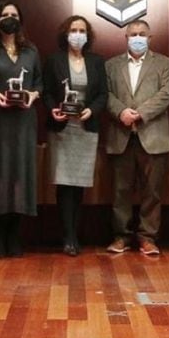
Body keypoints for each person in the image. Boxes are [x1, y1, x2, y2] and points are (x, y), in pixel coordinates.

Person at [0, 1, 43, 258]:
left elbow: (39, 82)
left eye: (14, 15)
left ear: (20, 20)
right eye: (5, 14)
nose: (9, 18)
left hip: (24, 121)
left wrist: (33, 95)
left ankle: (15, 235)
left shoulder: (31, 50)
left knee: (21, 175)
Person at [104, 19, 169, 255]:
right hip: (121, 134)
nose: (137, 38)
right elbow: (106, 94)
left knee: (153, 191)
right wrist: (121, 112)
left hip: (153, 136)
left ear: (150, 37)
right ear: (125, 38)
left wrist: (140, 114)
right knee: (120, 190)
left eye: (142, 34)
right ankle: (121, 236)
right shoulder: (111, 65)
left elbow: (167, 93)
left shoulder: (164, 63)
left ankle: (148, 237)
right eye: (132, 34)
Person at [43, 15, 107, 256]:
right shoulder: (54, 60)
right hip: (62, 129)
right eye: (73, 30)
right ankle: (67, 237)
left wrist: (92, 110)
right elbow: (47, 92)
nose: (77, 34)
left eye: (82, 30)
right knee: (64, 185)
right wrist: (53, 109)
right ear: (65, 33)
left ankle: (75, 234)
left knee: (79, 186)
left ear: (87, 35)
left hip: (85, 129)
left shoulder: (97, 61)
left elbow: (103, 94)